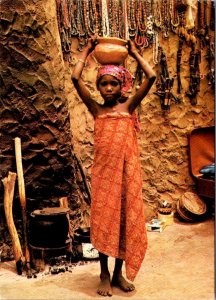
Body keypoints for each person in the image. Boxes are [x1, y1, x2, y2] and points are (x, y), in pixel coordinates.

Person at [72, 38, 156, 297]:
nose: (108, 88)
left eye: (113, 83)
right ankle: (104, 273)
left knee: (123, 220)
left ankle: (119, 272)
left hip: (127, 173)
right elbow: (76, 79)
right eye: (103, 83)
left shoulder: (129, 106)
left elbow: (151, 76)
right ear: (97, 87)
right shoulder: (96, 109)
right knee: (105, 222)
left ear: (123, 85)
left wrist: (134, 53)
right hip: (104, 175)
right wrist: (86, 51)